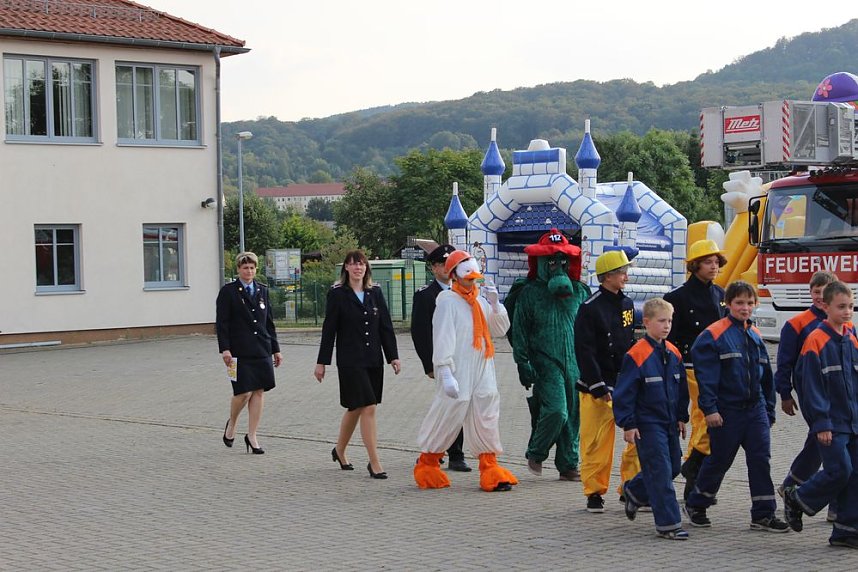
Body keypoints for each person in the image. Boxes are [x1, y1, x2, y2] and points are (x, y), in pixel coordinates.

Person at [684, 281, 789, 532]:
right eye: (739, 303)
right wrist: (709, 410)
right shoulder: (713, 336)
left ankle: (763, 514)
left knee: (760, 460)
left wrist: (769, 410)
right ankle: (697, 502)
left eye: (750, 303)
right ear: (728, 304)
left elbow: (765, 377)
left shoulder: (755, 335)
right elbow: (706, 378)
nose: (745, 308)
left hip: (755, 410)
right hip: (726, 411)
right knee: (720, 460)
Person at [413, 250, 516, 492]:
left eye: (475, 278)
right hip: (458, 367)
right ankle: (427, 463)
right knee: (449, 410)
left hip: (482, 364)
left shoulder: (479, 300)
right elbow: (442, 337)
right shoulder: (447, 301)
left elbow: (499, 330)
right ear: (455, 276)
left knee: (487, 407)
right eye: (468, 278)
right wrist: (445, 371)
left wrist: (495, 304)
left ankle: (490, 466)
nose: (473, 282)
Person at [508, 229, 589, 481]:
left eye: (563, 260)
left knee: (573, 415)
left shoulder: (579, 291)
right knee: (557, 411)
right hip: (545, 361)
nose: (558, 266)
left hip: (575, 362)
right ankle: (536, 451)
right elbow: (519, 332)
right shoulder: (529, 293)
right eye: (551, 261)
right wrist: (523, 363)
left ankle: (568, 464)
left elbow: (589, 328)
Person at [783, 280, 858, 548]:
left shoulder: (851, 334)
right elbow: (811, 387)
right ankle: (798, 497)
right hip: (831, 422)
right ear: (825, 307)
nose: (847, 311)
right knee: (839, 470)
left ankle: (847, 530)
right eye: (841, 307)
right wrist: (821, 422)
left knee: (854, 474)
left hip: (853, 421)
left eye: (850, 306)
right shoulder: (816, 340)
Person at [314, 250, 401, 479]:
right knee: (368, 406)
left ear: (366, 268)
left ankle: (339, 450)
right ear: (346, 268)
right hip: (350, 361)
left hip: (373, 359)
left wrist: (393, 356)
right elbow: (329, 330)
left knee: (356, 407)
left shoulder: (375, 292)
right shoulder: (337, 294)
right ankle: (375, 462)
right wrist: (322, 362)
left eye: (361, 264)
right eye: (352, 264)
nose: (357, 268)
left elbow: (385, 327)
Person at [614, 298, 690, 540]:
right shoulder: (636, 355)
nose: (666, 326)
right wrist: (628, 423)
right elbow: (624, 393)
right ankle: (669, 524)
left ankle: (634, 491)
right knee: (659, 471)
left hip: (669, 422)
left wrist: (681, 417)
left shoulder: (673, 352)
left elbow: (682, 391)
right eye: (661, 321)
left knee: (674, 467)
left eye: (669, 320)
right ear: (646, 323)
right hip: (647, 424)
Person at [574, 249, 640, 513]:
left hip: (624, 382)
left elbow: (630, 342)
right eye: (621, 272)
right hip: (597, 387)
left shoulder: (628, 304)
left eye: (626, 271)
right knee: (596, 444)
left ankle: (631, 487)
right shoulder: (589, 308)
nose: (626, 276)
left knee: (636, 437)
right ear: (607, 276)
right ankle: (594, 492)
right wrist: (597, 385)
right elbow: (584, 349)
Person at [663, 239, 726, 501]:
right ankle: (690, 470)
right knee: (703, 420)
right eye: (708, 262)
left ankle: (693, 470)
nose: (714, 267)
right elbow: (669, 340)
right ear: (695, 265)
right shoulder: (676, 297)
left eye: (716, 262)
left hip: (716, 368)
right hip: (688, 368)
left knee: (709, 424)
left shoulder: (721, 295)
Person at [775, 271, 838, 518]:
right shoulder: (797, 324)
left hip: (838, 395)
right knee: (827, 442)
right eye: (816, 292)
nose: (821, 297)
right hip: (812, 394)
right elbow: (784, 362)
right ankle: (828, 502)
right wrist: (785, 393)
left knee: (824, 443)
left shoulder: (842, 323)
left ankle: (794, 485)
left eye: (825, 292)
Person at [410, 244, 471, 472]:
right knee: (450, 405)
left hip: (464, 358)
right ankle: (454, 454)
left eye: (450, 263)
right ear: (434, 268)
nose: (447, 268)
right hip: (442, 361)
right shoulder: (426, 295)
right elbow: (421, 332)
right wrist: (429, 364)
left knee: (455, 405)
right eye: (441, 264)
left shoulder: (464, 291)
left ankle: (434, 449)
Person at [216, 251, 283, 454]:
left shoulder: (262, 290)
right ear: (238, 269)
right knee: (242, 392)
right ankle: (232, 423)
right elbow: (222, 323)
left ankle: (252, 435)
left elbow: (269, 322)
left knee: (258, 392)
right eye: (245, 268)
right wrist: (225, 349)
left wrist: (276, 349)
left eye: (252, 268)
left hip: (261, 348)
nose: (249, 271)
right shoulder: (228, 292)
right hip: (237, 351)